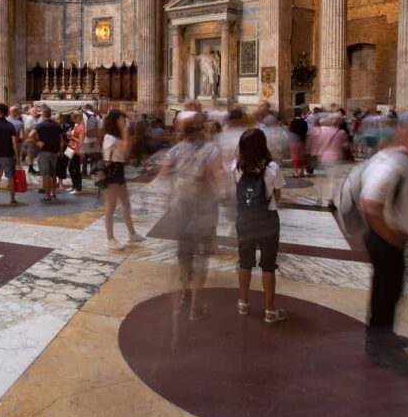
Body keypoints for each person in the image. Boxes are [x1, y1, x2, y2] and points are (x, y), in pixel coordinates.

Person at [358, 126, 408, 370]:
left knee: (393, 289)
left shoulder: (398, 160)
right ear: (407, 137)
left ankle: (385, 334)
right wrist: (390, 235)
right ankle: (378, 346)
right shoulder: (391, 164)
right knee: (385, 293)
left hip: (391, 236)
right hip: (385, 238)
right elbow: (370, 204)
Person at [159, 113, 222, 320]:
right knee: (201, 258)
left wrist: (169, 196)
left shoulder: (176, 150)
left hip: (183, 208)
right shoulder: (212, 151)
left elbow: (163, 175)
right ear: (201, 128)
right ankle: (195, 307)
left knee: (185, 253)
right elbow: (219, 178)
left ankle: (185, 287)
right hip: (203, 209)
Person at [233, 128, 289, 322]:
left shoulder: (237, 166)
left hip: (245, 219)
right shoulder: (273, 167)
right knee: (268, 265)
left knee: (244, 260)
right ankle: (270, 310)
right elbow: (278, 195)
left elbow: (238, 191)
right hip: (267, 220)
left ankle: (244, 303)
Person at [101, 110, 145, 251]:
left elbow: (126, 154)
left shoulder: (116, 137)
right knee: (110, 207)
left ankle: (132, 234)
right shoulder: (109, 137)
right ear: (116, 122)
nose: (125, 123)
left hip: (118, 170)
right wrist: (124, 130)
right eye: (122, 120)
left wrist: (126, 132)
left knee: (126, 204)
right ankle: (109, 238)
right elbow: (126, 149)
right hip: (112, 171)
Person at [29, 107, 64, 203]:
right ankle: (53, 194)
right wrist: (61, 152)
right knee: (53, 174)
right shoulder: (57, 125)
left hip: (44, 152)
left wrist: (37, 142)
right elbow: (61, 141)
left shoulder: (40, 125)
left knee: (45, 175)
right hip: (54, 153)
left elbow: (31, 135)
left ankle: (47, 196)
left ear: (43, 115)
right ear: (50, 115)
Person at [66, 111, 85, 194]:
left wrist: (72, 137)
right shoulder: (77, 125)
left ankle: (78, 188)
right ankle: (74, 186)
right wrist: (69, 135)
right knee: (70, 168)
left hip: (76, 149)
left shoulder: (82, 127)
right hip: (71, 148)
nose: (73, 121)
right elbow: (73, 136)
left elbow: (81, 142)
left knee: (76, 169)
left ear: (78, 117)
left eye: (74, 119)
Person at [288, 107, 308, 178]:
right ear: (301, 113)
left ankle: (296, 172)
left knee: (295, 157)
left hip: (294, 142)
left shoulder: (292, 122)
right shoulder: (304, 122)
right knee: (301, 157)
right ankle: (302, 171)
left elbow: (290, 132)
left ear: (294, 113)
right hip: (302, 142)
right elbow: (306, 132)